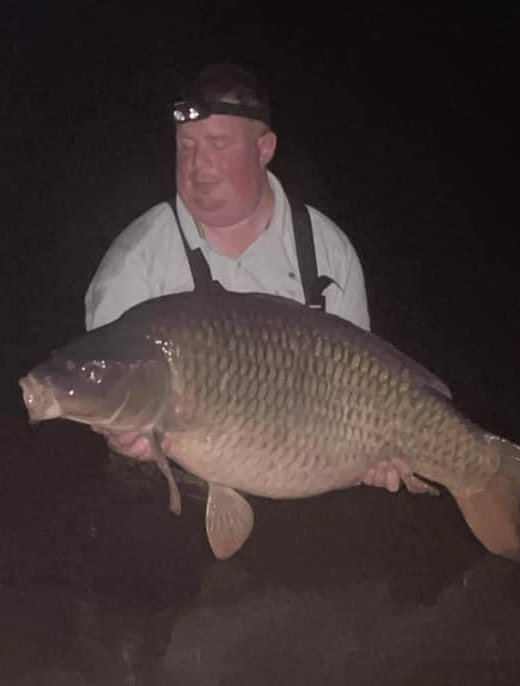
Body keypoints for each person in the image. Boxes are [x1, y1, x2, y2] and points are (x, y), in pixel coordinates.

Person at [85, 63, 400, 492]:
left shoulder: (327, 250)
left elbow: (366, 389)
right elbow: (107, 387)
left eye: (218, 144)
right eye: (186, 145)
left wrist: (373, 454)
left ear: (264, 148)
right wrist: (121, 435)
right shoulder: (134, 261)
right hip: (171, 490)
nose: (198, 165)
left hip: (305, 481)